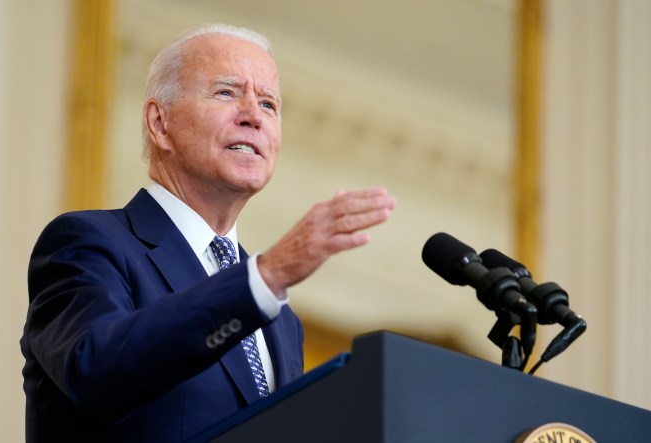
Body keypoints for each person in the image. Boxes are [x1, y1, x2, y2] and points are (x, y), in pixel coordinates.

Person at [20, 23, 395, 442]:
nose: (254, 116)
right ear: (160, 123)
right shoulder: (88, 242)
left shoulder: (283, 322)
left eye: (268, 103)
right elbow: (96, 371)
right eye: (227, 93)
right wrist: (265, 277)